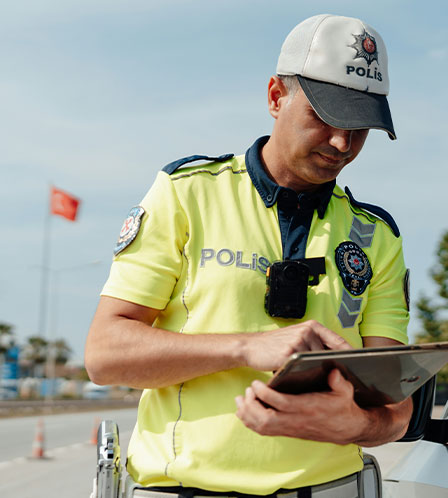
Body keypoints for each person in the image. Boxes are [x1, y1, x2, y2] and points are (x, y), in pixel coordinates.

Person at [85, 13, 413, 498]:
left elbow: (396, 412)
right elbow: (105, 356)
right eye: (325, 117)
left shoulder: (375, 235)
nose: (343, 144)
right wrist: (245, 347)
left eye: (361, 127)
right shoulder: (186, 194)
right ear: (276, 98)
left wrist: (356, 424)